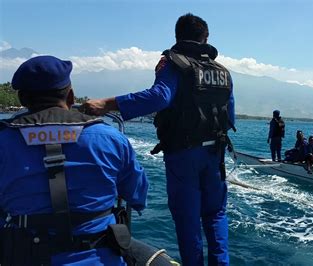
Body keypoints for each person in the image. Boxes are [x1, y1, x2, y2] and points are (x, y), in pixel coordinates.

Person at [80, 13, 234, 265]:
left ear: (177, 36)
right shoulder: (223, 73)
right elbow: (230, 117)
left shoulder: (174, 64)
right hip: (214, 154)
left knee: (187, 218)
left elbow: (159, 97)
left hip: (184, 154)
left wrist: (108, 104)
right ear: (206, 37)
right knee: (216, 214)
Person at [0, 56, 149, 265]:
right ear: (70, 96)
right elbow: (137, 195)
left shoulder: (3, 141)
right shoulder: (111, 138)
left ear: (23, 100)